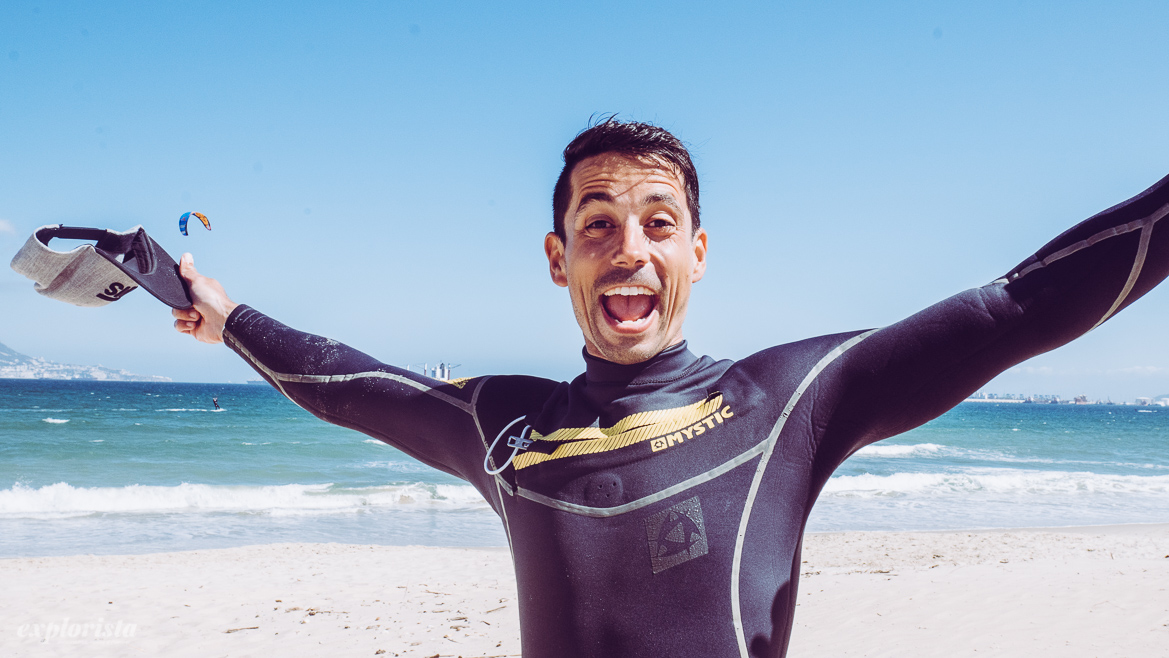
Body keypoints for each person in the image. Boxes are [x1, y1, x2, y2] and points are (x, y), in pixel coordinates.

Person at [172, 118, 1169, 658]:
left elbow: (1011, 309)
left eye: (656, 222)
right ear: (557, 258)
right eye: (597, 224)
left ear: (694, 251)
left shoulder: (788, 398)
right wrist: (226, 318)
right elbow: (349, 382)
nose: (627, 249)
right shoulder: (502, 423)